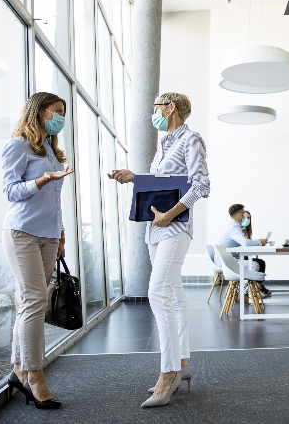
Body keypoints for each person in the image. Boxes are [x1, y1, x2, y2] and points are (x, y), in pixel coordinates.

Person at [108, 92, 210, 408]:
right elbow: (166, 180)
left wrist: (171, 213)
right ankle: (181, 363)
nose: (153, 113)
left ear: (171, 108)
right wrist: (135, 177)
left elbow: (202, 184)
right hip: (155, 229)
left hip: (174, 227)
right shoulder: (164, 142)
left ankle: (167, 373)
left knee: (158, 292)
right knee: (174, 293)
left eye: (156, 108)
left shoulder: (191, 139)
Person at [1, 92, 74, 410]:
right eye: (56, 111)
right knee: (34, 302)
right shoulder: (18, 144)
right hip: (21, 233)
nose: (60, 117)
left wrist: (60, 236)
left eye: (63, 113)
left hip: (46, 236)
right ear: (39, 111)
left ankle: (18, 370)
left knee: (30, 303)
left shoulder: (51, 151)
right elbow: (10, 191)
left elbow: (54, 202)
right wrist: (42, 180)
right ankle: (35, 376)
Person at [214, 205, 268, 299]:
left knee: (253, 263)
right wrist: (259, 242)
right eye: (244, 213)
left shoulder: (229, 225)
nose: (245, 216)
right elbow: (245, 242)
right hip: (227, 262)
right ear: (240, 215)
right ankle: (242, 293)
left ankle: (243, 292)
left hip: (225, 259)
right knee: (255, 265)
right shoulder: (234, 227)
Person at [241, 210, 271, 296]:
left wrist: (258, 242)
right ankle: (259, 286)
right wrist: (258, 242)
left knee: (261, 262)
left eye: (249, 218)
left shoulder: (246, 230)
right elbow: (245, 243)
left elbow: (249, 243)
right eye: (246, 218)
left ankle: (259, 286)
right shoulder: (239, 230)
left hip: (245, 256)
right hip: (241, 257)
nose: (248, 220)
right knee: (260, 262)